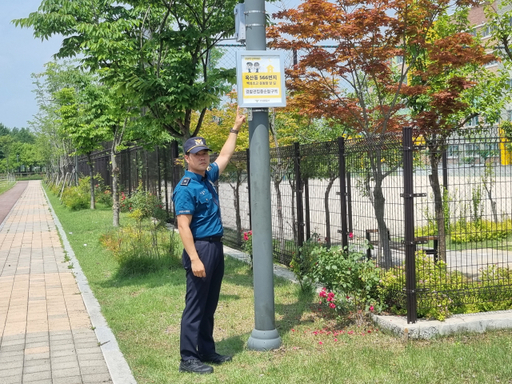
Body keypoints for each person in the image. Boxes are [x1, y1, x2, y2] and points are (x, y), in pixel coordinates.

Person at [173, 107, 246, 374]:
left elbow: (226, 154)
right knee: (195, 306)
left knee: (210, 303)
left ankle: (206, 350)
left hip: (215, 246)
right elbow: (183, 226)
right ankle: (188, 359)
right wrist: (194, 258)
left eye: (205, 154)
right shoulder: (186, 188)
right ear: (187, 158)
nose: (203, 158)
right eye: (197, 154)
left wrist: (235, 127)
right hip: (200, 248)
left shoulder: (207, 178)